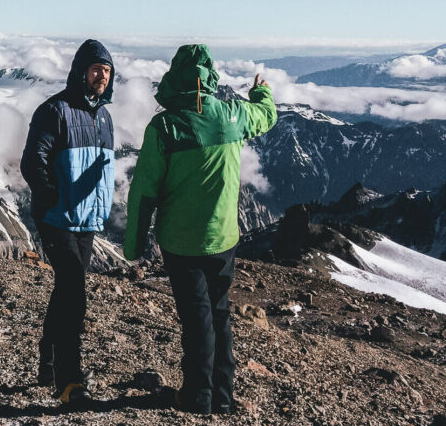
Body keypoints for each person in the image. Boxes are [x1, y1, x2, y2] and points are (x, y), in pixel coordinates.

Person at [123, 44, 276, 414]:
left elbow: (144, 191)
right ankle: (222, 396)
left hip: (181, 243)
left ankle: (197, 397)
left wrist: (134, 245)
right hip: (223, 239)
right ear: (210, 77)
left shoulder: (165, 126)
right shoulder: (232, 114)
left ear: (175, 76)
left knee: (196, 320)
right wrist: (262, 91)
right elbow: (266, 115)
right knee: (219, 313)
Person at [20, 39, 116, 406]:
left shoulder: (103, 117)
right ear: (80, 71)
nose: (101, 76)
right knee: (74, 292)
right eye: (95, 69)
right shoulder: (54, 111)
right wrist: (51, 199)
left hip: (86, 220)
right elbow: (33, 161)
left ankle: (48, 363)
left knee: (66, 290)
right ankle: (69, 381)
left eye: (106, 70)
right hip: (58, 218)